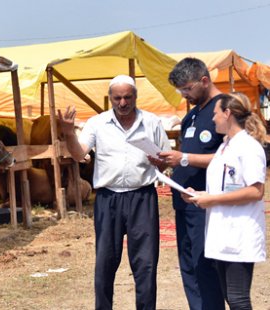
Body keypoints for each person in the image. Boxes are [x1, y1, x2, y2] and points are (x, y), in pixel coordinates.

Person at [57, 75, 171, 309]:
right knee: (105, 262)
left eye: (127, 97)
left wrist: (158, 161)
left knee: (146, 263)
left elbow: (165, 160)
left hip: (142, 197)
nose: (122, 102)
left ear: (135, 97)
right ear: (110, 98)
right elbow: (79, 154)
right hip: (108, 199)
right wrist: (69, 134)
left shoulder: (151, 122)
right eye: (117, 98)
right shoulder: (97, 123)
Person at [183, 92, 266, 309]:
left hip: (239, 232)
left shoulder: (248, 147)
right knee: (229, 296)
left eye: (215, 113)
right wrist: (199, 194)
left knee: (238, 298)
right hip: (222, 231)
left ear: (227, 113)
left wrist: (213, 199)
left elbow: (256, 191)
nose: (212, 119)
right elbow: (221, 187)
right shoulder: (224, 146)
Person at [158, 57, 225, 309]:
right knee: (188, 265)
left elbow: (229, 158)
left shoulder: (225, 108)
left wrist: (184, 158)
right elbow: (187, 155)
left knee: (205, 264)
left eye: (187, 88)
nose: (185, 95)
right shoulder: (191, 115)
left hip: (207, 202)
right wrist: (166, 161)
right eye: (181, 90)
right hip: (183, 202)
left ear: (204, 80)